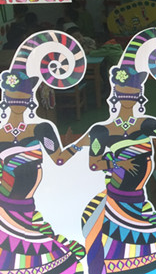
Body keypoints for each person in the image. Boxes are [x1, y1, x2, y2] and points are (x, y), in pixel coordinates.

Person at [81, 27, 156, 274]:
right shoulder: (103, 131)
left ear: (139, 96)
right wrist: (116, 163)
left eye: (133, 95)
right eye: (124, 95)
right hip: (115, 202)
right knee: (112, 253)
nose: (128, 100)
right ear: (115, 95)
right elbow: (93, 163)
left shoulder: (146, 124)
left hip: (138, 200)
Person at [0, 31, 89, 274]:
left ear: (30, 98)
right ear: (5, 97)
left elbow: (58, 158)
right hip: (5, 210)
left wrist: (79, 144)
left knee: (56, 260)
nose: (17, 102)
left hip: (29, 207)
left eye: (22, 97)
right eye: (13, 97)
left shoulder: (41, 129)